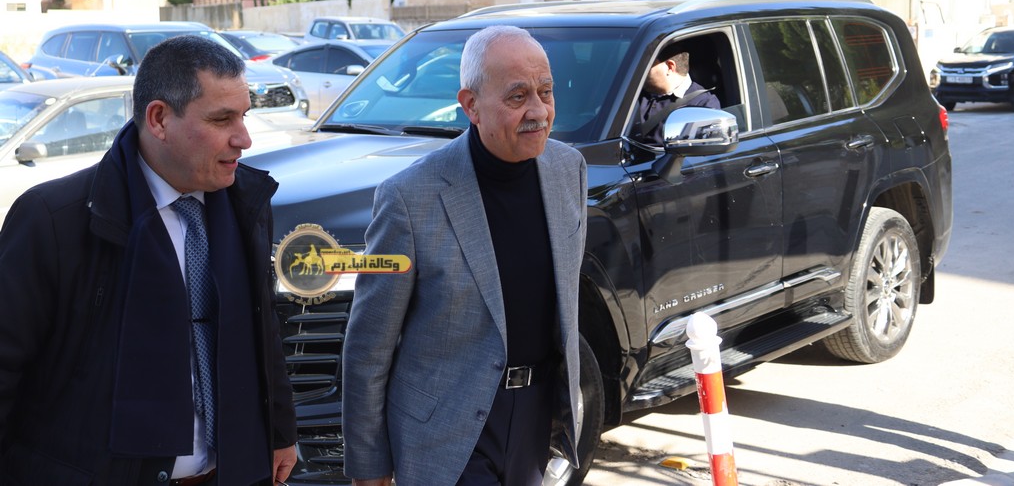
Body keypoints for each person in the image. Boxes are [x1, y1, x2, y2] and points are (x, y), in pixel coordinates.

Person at [0, 35, 297, 485]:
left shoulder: (245, 204)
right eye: (222, 119)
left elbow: (261, 325)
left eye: (244, 116)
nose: (244, 139)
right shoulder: (54, 219)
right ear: (159, 119)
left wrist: (279, 430)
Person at [342, 25, 588, 486]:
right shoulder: (409, 197)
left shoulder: (567, 168)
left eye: (546, 91)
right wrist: (369, 464)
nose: (539, 111)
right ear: (471, 105)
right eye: (518, 96)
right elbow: (369, 344)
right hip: (444, 432)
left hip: (535, 421)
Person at [636, 48, 721, 146]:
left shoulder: (704, 105)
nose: (639, 71)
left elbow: (704, 151)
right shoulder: (634, 93)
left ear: (670, 67)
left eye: (646, 66)